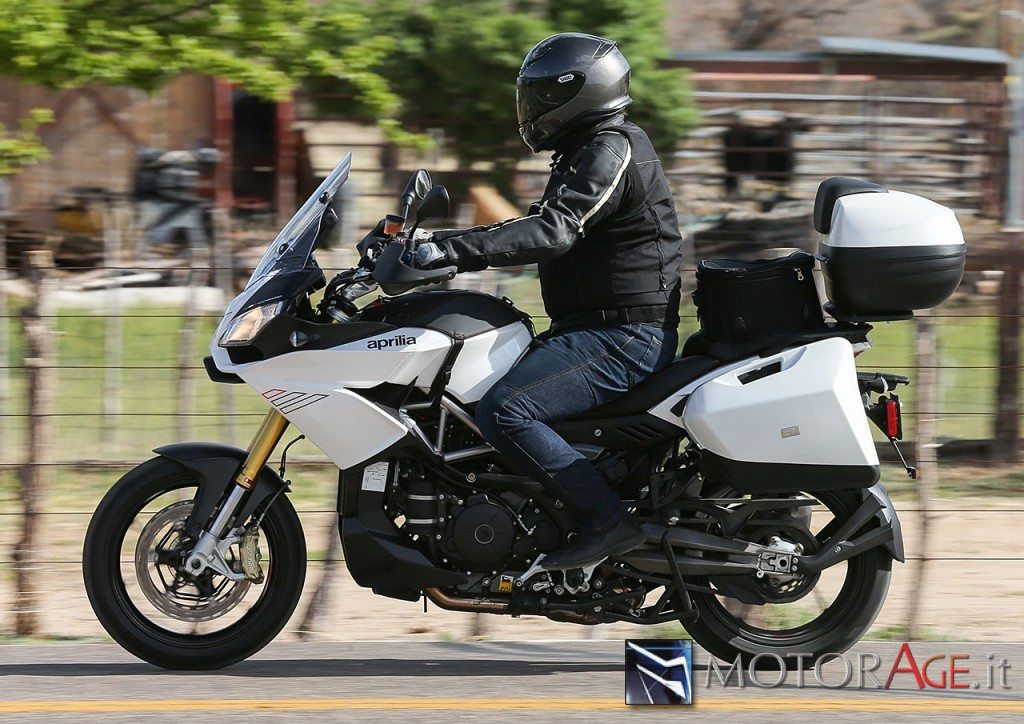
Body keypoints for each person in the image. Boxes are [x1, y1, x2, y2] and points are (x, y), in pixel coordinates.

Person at [415, 33, 684, 569]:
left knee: (507, 410)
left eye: (542, 95)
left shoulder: (612, 147)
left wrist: (447, 251)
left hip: (624, 337)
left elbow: (553, 230)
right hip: (594, 330)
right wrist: (429, 243)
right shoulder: (585, 151)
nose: (531, 107)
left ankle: (607, 522)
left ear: (581, 91)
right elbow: (535, 226)